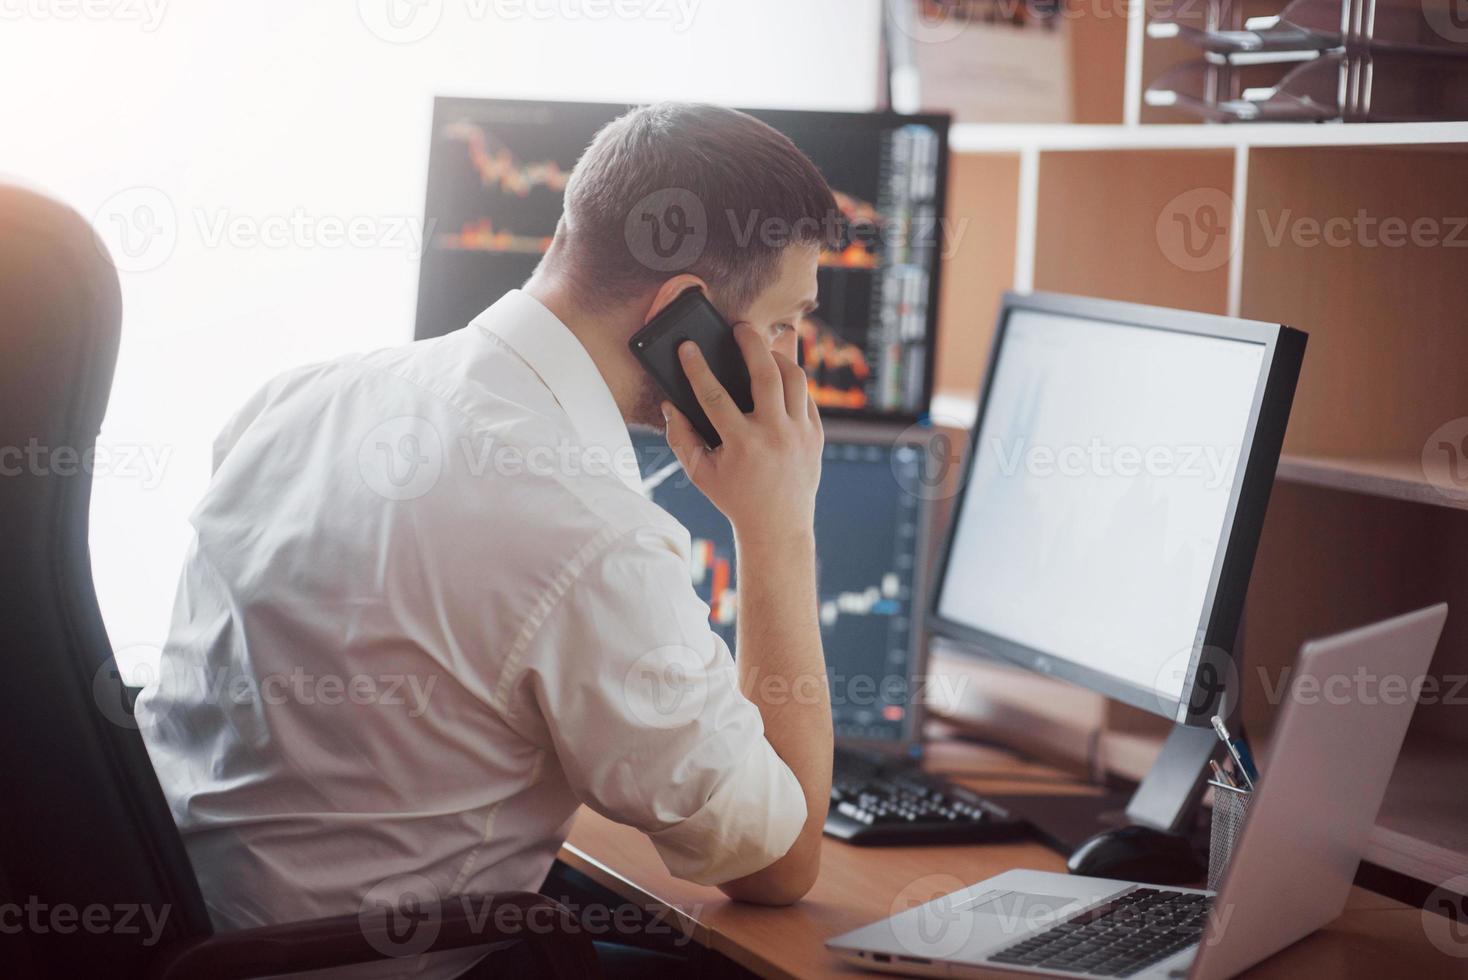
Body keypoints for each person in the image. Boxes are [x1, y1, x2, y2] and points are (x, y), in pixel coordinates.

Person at [136, 102, 839, 978]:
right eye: (781, 324)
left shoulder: (302, 396)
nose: (786, 362)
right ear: (683, 316)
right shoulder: (588, 529)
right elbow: (778, 862)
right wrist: (779, 532)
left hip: (190, 946)